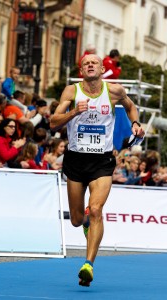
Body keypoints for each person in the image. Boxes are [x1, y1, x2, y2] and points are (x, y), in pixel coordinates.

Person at [50, 53, 144, 287]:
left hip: (102, 160)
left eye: (94, 63)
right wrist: (74, 112)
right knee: (76, 219)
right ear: (82, 71)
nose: (90, 65)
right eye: (85, 64)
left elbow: (131, 107)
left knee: (96, 209)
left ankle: (88, 265)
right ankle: (84, 224)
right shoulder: (72, 92)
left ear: (102, 69)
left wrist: (135, 124)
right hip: (75, 159)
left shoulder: (114, 91)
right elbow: (53, 122)